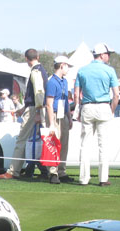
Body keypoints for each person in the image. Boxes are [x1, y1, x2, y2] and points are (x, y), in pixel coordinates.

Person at [0, 48, 48, 179]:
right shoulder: (41, 70)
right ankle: (47, 170)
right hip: (36, 107)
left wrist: (37, 111)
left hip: (34, 109)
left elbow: (38, 93)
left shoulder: (36, 71)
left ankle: (13, 171)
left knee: (22, 140)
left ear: (26, 59)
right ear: (38, 56)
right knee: (44, 140)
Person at [74, 43, 119, 186]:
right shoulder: (109, 70)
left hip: (87, 106)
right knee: (103, 145)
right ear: (102, 55)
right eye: (108, 54)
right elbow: (116, 94)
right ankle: (103, 178)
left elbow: (76, 94)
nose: (109, 57)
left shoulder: (82, 70)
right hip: (103, 106)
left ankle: (83, 178)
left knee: (85, 144)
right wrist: (112, 110)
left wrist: (78, 109)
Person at [45, 56, 73, 185]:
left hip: (63, 115)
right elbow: (49, 104)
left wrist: (69, 117)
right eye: (67, 66)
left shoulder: (64, 82)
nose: (68, 69)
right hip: (54, 114)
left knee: (64, 144)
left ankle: (61, 171)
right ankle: (53, 172)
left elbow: (66, 101)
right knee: (53, 143)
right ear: (62, 65)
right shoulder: (51, 82)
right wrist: (51, 123)